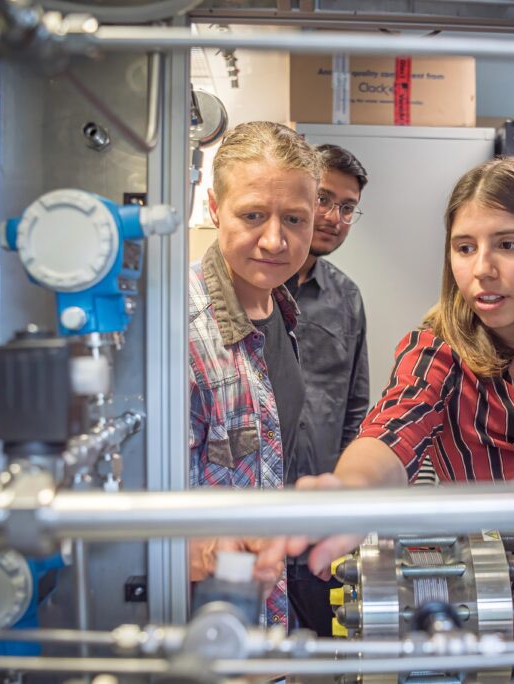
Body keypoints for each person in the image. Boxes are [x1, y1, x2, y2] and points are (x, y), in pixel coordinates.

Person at [257, 156, 514, 636]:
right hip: (509, 602)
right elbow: (389, 431)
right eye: (465, 247)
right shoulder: (439, 351)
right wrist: (350, 492)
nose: (482, 269)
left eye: (508, 245)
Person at [188, 121, 323, 630]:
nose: (275, 239)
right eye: (252, 215)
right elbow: (121, 502)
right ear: (214, 207)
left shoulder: (282, 314)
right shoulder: (179, 330)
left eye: (294, 218)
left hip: (266, 615)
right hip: (201, 626)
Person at [282, 144, 370, 635]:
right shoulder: (252, 288)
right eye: (324, 199)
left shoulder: (346, 296)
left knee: (318, 644)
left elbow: (357, 406)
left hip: (320, 511)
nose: (334, 217)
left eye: (348, 207)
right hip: (255, 510)